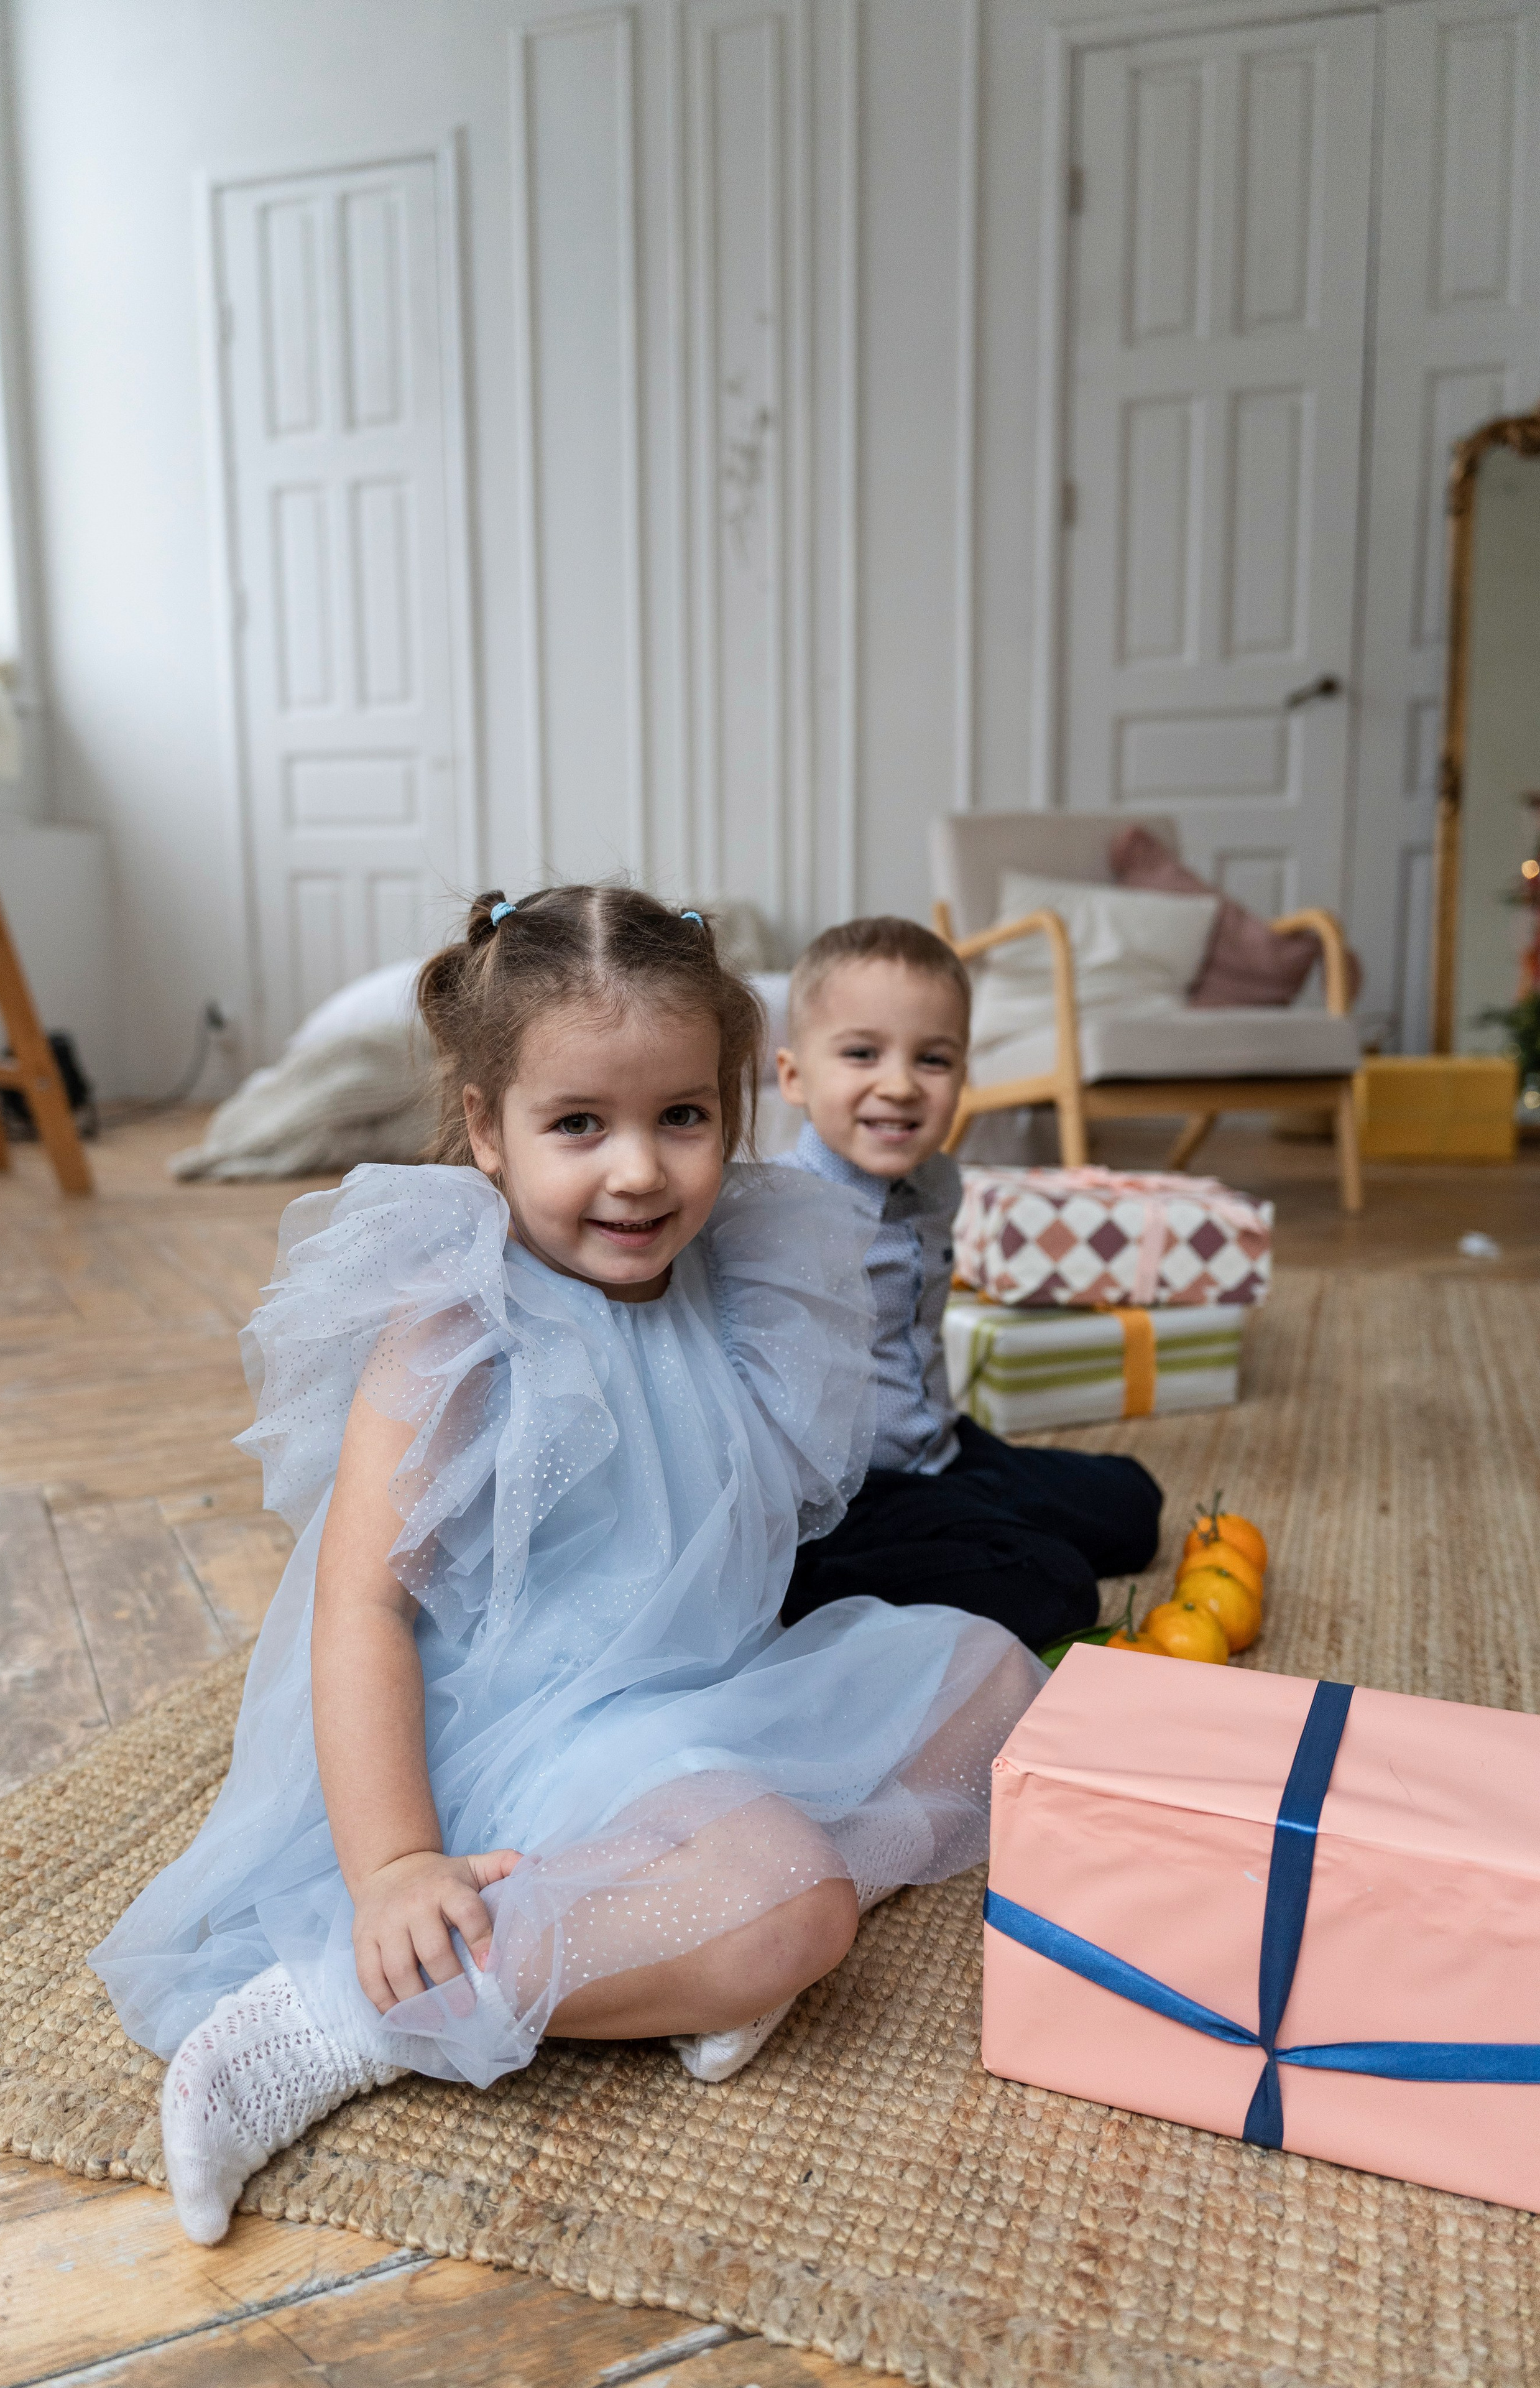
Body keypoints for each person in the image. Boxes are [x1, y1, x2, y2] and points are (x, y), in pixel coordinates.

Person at [91, 886, 1046, 2247]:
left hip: (698, 1692)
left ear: (732, 1108)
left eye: (681, 1118)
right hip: (522, 1738)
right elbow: (361, 1604)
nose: (639, 1172)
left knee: (994, 1678)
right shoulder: (454, 1327)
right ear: (486, 1125)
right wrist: (396, 1865)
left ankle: (656, 1945)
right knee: (797, 1911)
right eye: (577, 1126)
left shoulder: (751, 1264)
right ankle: (356, 2012)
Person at [776, 916, 1162, 1650]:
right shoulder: (774, 1214)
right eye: (861, 1054)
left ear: (963, 1077)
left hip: (943, 1447)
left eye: (933, 1060)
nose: (898, 1086)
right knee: (1053, 1584)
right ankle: (802, 1599)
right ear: (794, 1075)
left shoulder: (939, 1183)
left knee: (1134, 1503)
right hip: (854, 1496)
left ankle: (971, 1512)